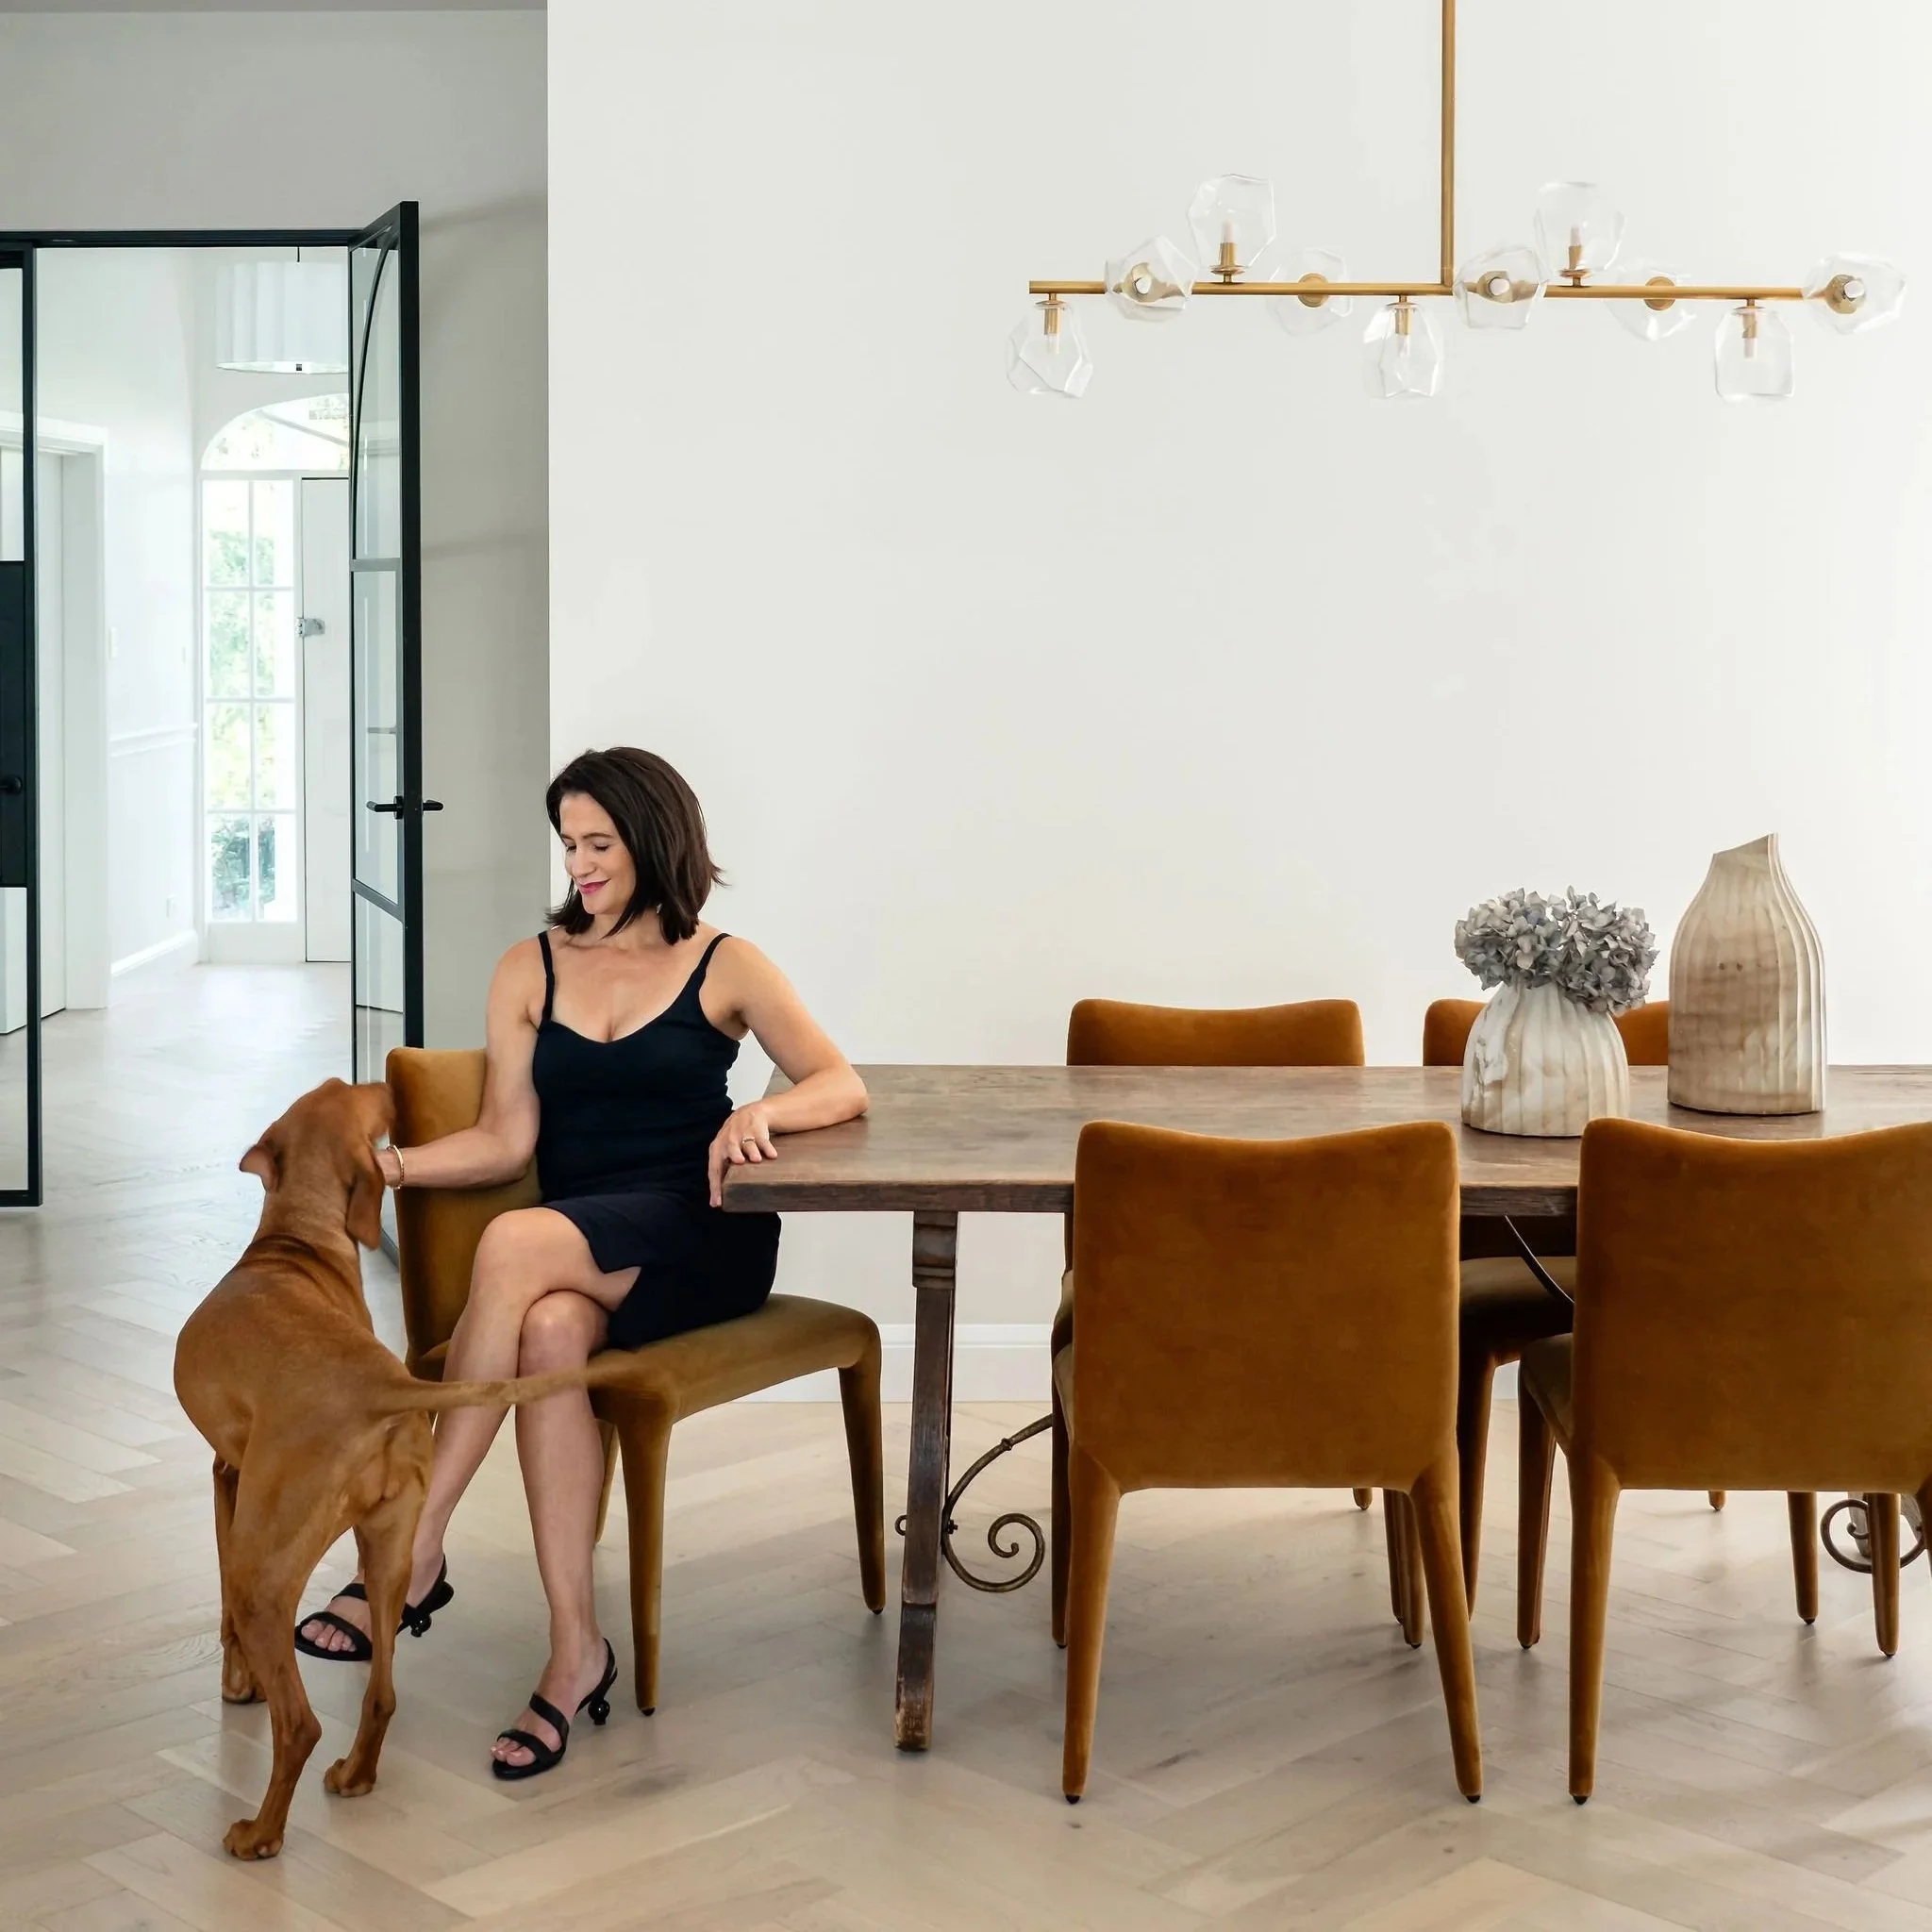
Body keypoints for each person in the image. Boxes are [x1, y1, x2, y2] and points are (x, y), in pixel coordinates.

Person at [293, 746, 868, 1778]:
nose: (582, 863)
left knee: (516, 1241)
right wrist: (390, 1165)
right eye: (569, 843)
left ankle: (414, 1545)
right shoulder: (533, 963)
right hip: (583, 1239)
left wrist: (759, 1109)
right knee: (550, 1329)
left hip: (700, 1230)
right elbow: (507, 1140)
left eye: (599, 842)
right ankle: (575, 1652)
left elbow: (839, 1081)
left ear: (654, 837)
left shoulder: (723, 960)